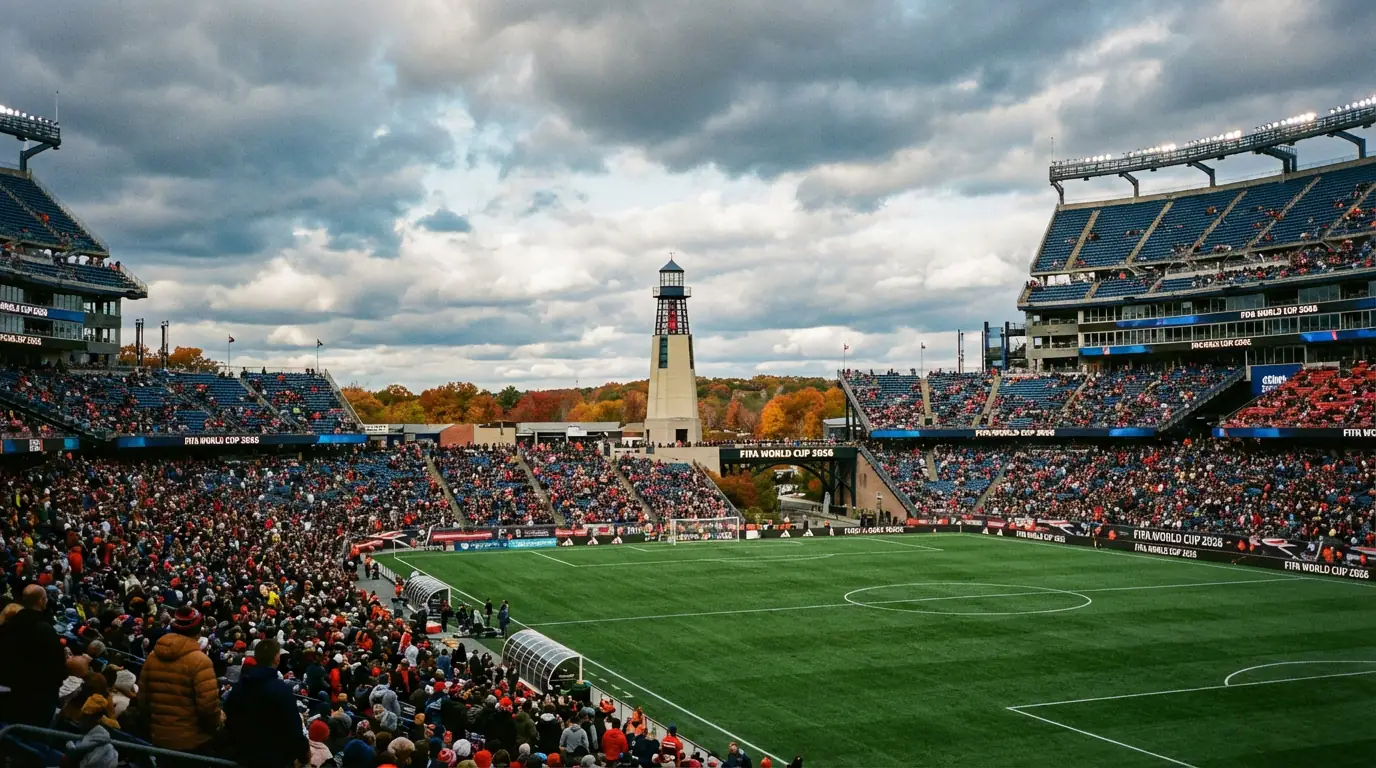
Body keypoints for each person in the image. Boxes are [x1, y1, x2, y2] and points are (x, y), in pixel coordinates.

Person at [136, 605, 222, 756]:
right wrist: (217, 723)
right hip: (192, 741)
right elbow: (208, 708)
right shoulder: (200, 661)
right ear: (197, 631)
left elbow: (143, 699)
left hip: (159, 737)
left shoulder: (152, 656)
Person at [225, 639, 311, 768]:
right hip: (273, 760)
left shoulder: (239, 687)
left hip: (242, 755)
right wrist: (304, 755)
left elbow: (229, 718)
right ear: (276, 658)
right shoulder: (281, 690)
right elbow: (294, 729)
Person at [0, 584, 67, 726]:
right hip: (37, 699)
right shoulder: (45, 630)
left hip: (11, 692)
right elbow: (57, 666)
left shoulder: (10, 623)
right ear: (41, 601)